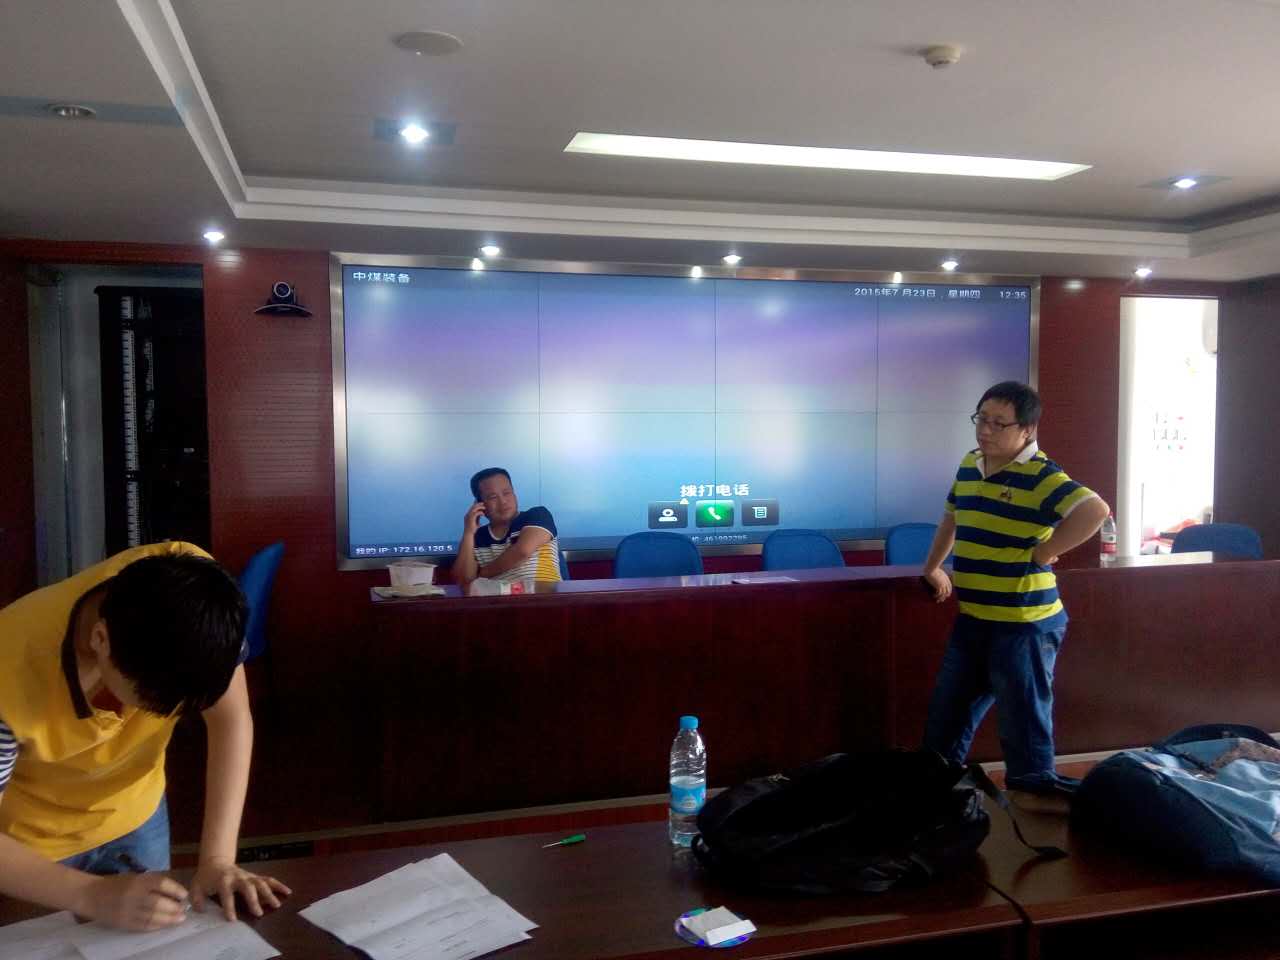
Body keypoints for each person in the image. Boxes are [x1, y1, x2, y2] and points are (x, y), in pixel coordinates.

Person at [0, 542, 291, 931]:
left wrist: (218, 860)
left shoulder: (197, 593)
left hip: (137, 814)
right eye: (153, 706)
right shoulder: (8, 672)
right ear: (100, 639)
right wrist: (90, 895)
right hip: (34, 847)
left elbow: (231, 718)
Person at [920, 381, 1109, 798]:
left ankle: (1035, 813)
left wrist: (1045, 552)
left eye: (999, 423)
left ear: (1027, 430)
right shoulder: (970, 464)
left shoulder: (1041, 475)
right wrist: (932, 567)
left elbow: (1094, 510)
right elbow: (951, 518)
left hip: (1024, 626)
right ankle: (939, 805)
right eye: (981, 419)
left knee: (1024, 733)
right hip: (974, 620)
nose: (985, 430)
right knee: (944, 727)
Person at [454, 468, 562, 590]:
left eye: (507, 493)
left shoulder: (537, 515)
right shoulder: (477, 537)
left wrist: (479, 575)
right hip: (499, 600)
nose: (503, 501)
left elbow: (522, 551)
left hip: (542, 597)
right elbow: (464, 580)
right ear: (480, 504)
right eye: (493, 497)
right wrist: (468, 532)